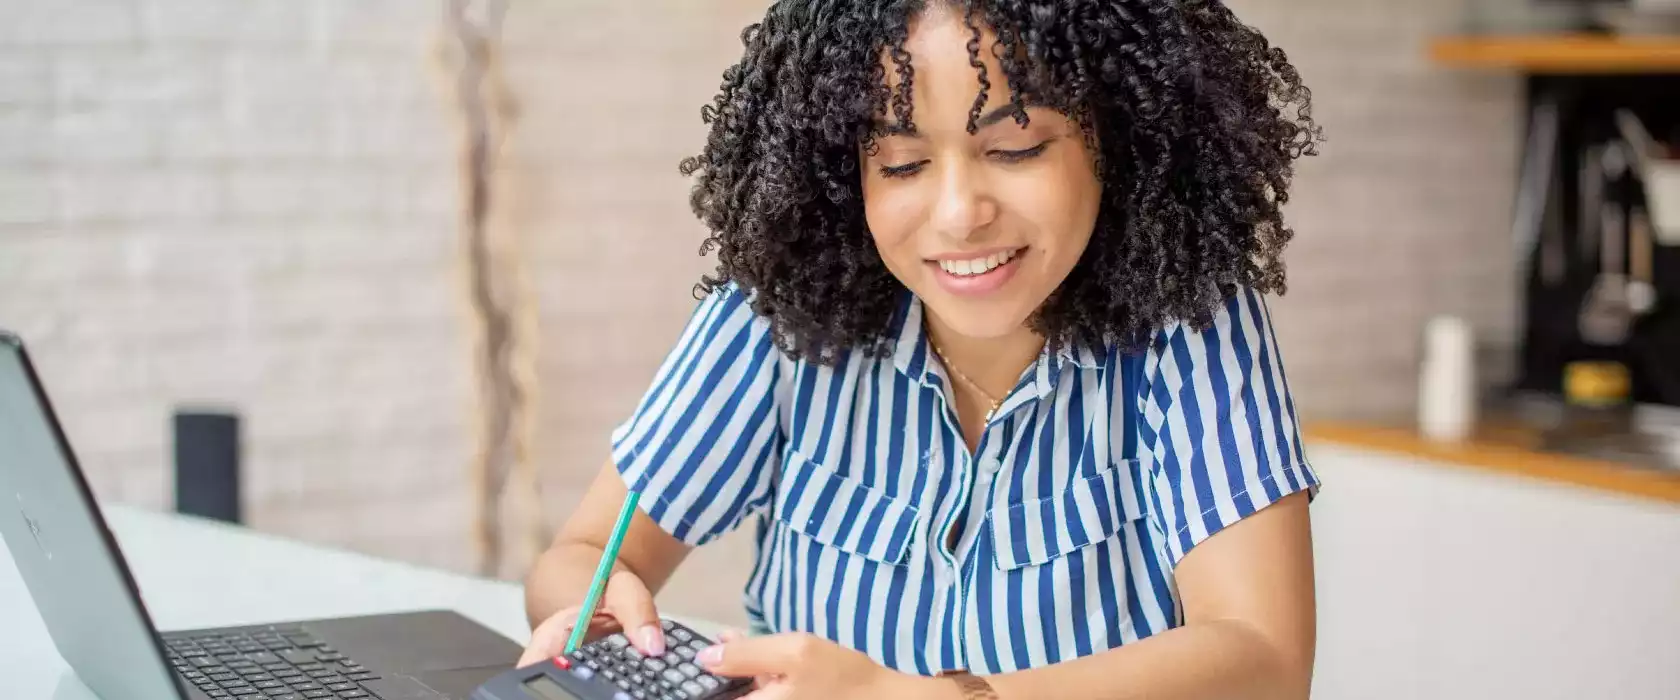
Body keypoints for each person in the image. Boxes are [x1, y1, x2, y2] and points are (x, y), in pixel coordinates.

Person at [521, 0, 1324, 697]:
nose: (958, 213)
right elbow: (585, 554)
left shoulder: (1188, 323)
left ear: (1122, 143)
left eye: (1015, 149)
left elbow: (1263, 658)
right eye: (901, 163)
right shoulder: (781, 315)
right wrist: (596, 606)